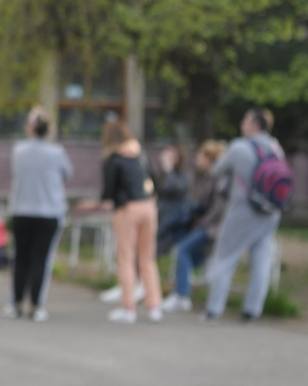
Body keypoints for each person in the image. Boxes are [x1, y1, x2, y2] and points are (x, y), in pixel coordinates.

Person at [203, 107, 286, 322]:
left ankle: (214, 309)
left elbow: (216, 171)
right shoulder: (276, 148)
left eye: (245, 121)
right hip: (270, 212)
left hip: (242, 212)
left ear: (255, 126)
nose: (242, 125)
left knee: (225, 258)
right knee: (261, 260)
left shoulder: (239, 147)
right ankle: (252, 311)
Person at [91, 118, 163, 323]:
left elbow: (108, 191)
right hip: (148, 206)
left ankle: (128, 307)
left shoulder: (113, 159)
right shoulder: (141, 154)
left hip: (127, 209)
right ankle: (154, 306)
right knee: (148, 258)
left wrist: (107, 201)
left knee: (126, 258)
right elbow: (154, 181)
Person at [5, 109, 73, 322]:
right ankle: (36, 305)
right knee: (41, 260)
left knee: (21, 258)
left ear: (31, 128)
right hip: (49, 212)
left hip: (22, 211)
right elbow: (67, 174)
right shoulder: (57, 153)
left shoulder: (19, 151)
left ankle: (16, 303)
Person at [159, 140, 228, 312]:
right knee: (184, 250)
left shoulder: (217, 177)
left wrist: (202, 223)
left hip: (212, 228)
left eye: (200, 156)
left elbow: (219, 208)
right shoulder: (201, 176)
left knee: (182, 249)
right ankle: (185, 286)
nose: (196, 160)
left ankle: (182, 295)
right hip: (201, 226)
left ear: (209, 158)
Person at [152, 144, 190, 255]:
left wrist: (169, 171)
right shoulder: (161, 175)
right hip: (158, 216)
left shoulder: (184, 175)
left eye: (172, 157)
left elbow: (173, 188)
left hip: (172, 221)